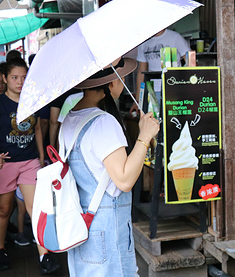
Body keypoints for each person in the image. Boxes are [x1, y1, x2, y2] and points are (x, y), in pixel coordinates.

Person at [61, 57, 159, 276]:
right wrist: (144, 136)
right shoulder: (103, 123)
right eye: (121, 76)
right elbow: (123, 180)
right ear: (111, 82)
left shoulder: (70, 117)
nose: (123, 81)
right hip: (106, 230)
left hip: (82, 227)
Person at [0, 57, 60, 273]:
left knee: (35, 209)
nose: (20, 82)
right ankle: (1, 250)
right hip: (5, 163)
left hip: (29, 161)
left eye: (24, 78)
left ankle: (44, 256)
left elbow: (37, 130)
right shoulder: (0, 103)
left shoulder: (33, 100)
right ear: (5, 79)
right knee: (4, 210)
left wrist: (41, 158)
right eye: (15, 77)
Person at [131, 28, 190, 113]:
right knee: (155, 122)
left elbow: (190, 61)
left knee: (173, 119)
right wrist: (137, 100)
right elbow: (141, 72)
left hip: (173, 89)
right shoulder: (143, 42)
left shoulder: (175, 37)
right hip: (152, 91)